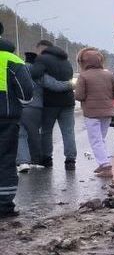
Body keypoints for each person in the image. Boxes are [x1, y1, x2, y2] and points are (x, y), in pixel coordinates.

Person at [0, 22, 35, 218]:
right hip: (5, 116)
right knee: (5, 159)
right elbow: (26, 92)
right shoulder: (11, 59)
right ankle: (4, 206)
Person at [75, 48, 114, 178]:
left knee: (96, 141)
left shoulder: (83, 76)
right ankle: (103, 163)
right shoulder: (109, 75)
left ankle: (106, 166)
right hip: (107, 112)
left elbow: (79, 96)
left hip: (91, 113)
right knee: (101, 139)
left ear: (84, 62)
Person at [32, 40, 76, 169]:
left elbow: (34, 74)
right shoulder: (66, 61)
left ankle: (47, 158)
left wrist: (43, 78)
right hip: (68, 101)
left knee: (46, 131)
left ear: (41, 48)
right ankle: (70, 160)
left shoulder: (41, 59)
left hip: (50, 103)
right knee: (68, 132)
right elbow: (70, 78)